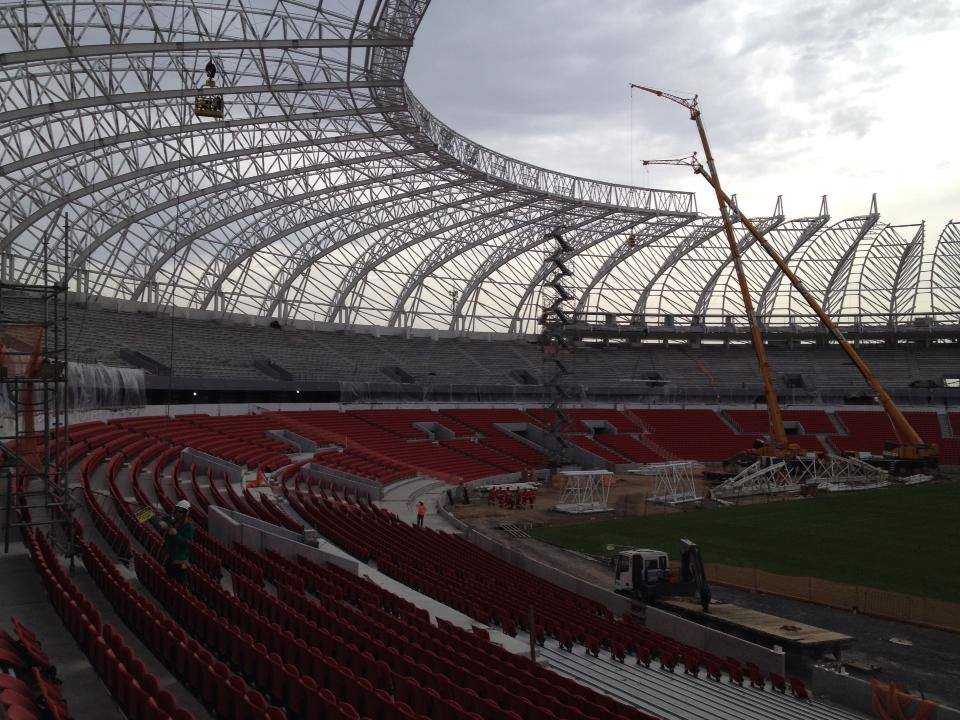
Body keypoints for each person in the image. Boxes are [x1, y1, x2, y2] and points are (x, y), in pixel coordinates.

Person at [149, 499, 195, 581]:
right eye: (177, 511)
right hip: (169, 557)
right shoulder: (171, 519)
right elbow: (154, 519)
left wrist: (176, 535)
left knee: (181, 582)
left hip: (181, 561)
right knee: (169, 580)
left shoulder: (189, 527)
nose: (177, 513)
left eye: (180, 512)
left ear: (186, 513)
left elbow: (187, 543)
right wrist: (159, 522)